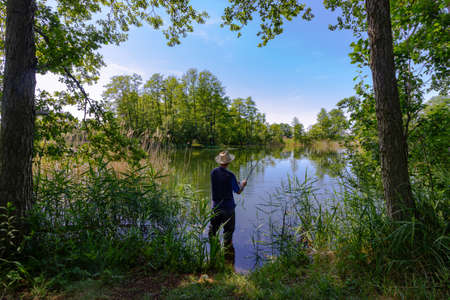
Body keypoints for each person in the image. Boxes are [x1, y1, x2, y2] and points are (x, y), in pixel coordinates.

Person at [209, 151, 247, 264]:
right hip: (228, 209)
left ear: (220, 162)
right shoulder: (230, 175)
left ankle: (212, 256)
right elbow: (238, 191)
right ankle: (228, 260)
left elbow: (222, 182)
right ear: (229, 162)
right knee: (228, 232)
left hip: (215, 207)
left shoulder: (213, 173)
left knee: (213, 232)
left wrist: (237, 182)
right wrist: (243, 185)